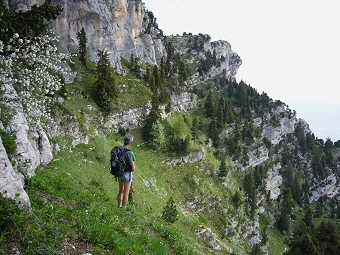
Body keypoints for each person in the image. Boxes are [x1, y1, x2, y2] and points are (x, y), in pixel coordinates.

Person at [117, 134, 136, 208]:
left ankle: (119, 206)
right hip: (127, 175)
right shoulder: (129, 153)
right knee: (126, 193)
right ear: (130, 143)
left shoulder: (119, 149)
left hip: (119, 173)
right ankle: (124, 209)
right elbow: (133, 167)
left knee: (120, 191)